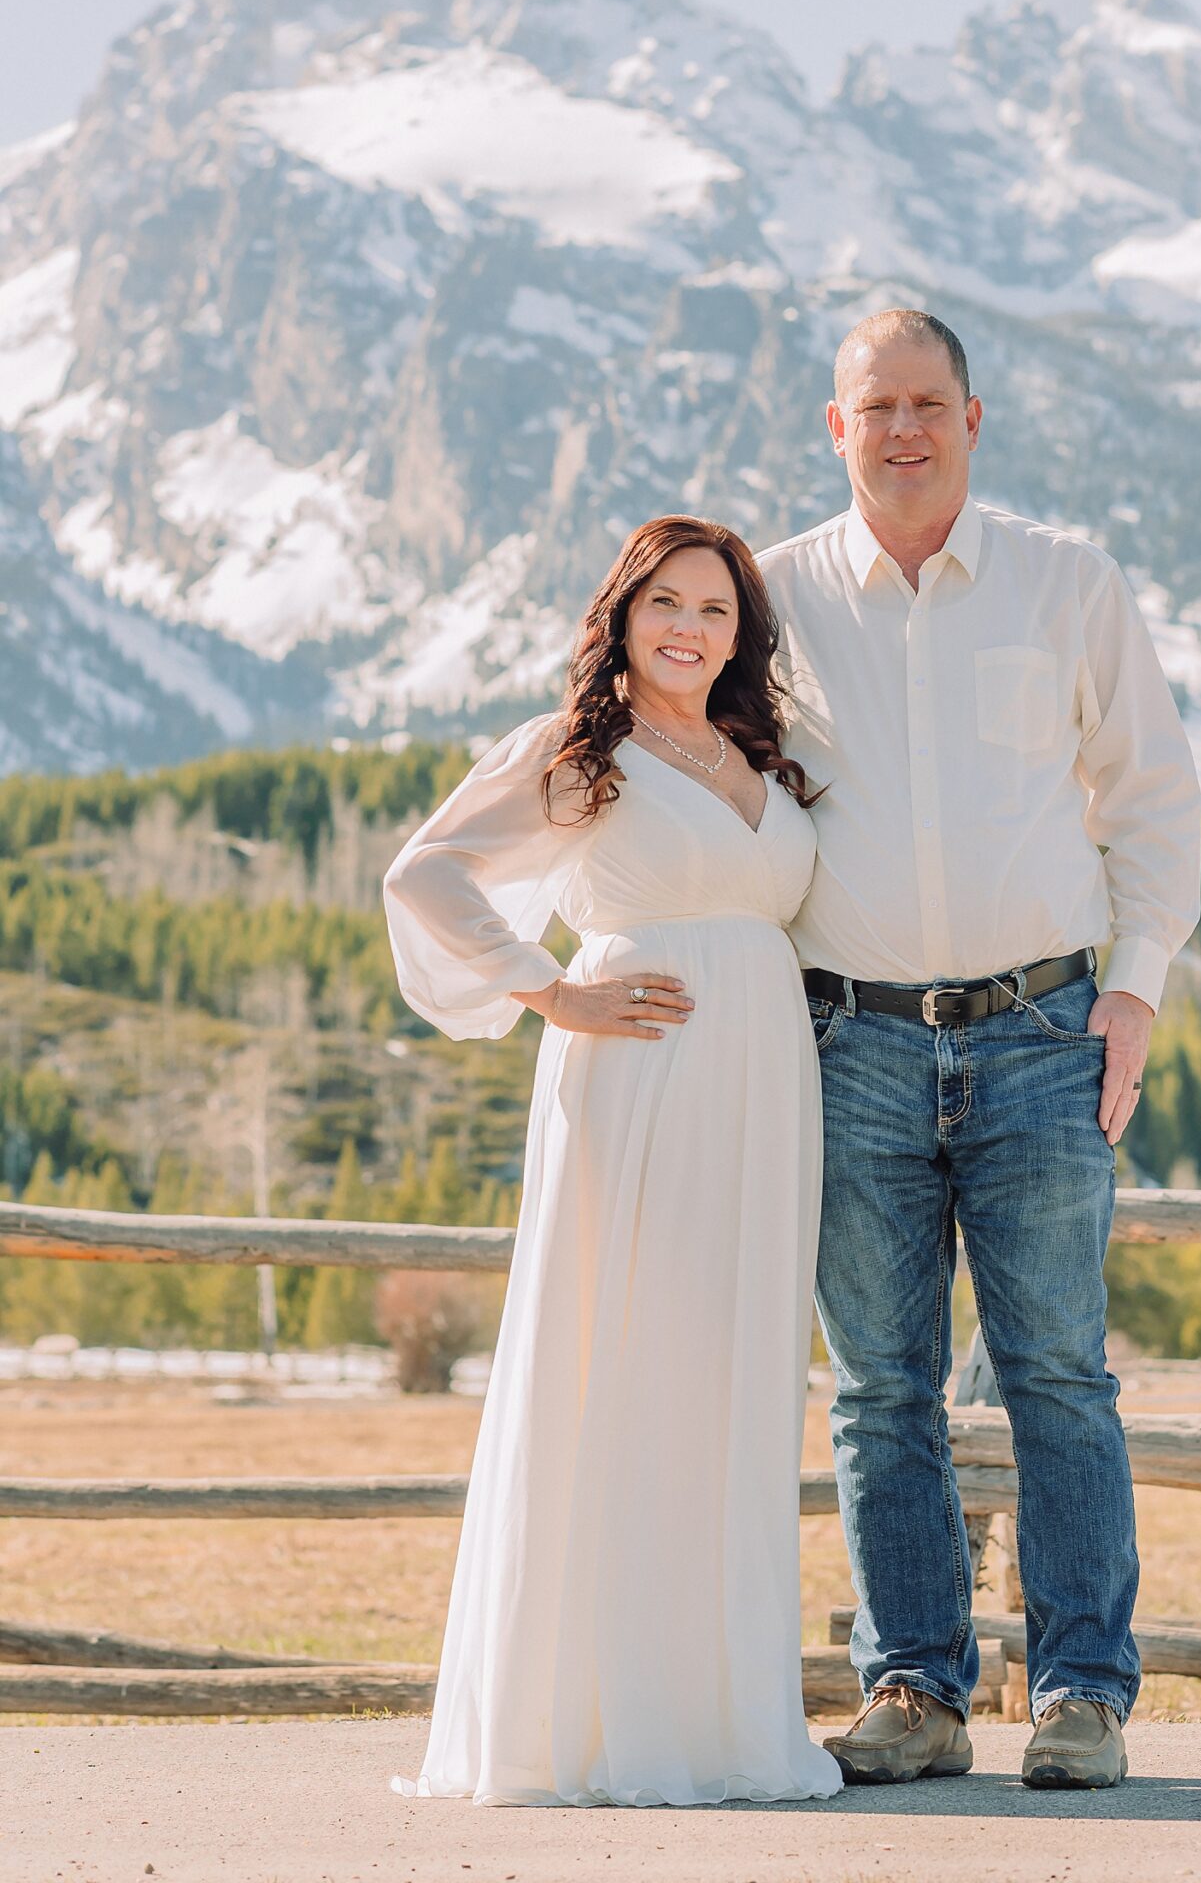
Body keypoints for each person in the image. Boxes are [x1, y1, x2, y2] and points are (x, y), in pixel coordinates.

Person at [760, 308, 1201, 1790]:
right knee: (880, 1388)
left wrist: (1134, 990)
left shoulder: (1067, 582)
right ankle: (916, 1692)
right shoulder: (771, 599)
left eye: (928, 404)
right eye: (875, 406)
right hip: (850, 1042)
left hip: (1039, 1033)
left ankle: (1080, 1694)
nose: (903, 429)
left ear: (972, 419)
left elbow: (1150, 797)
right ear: (836, 426)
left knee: (1057, 1375)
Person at [382, 515, 842, 1810]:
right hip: (641, 1083)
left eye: (715, 608)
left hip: (764, 1094)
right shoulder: (582, 751)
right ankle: (599, 1718)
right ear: (623, 619)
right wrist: (549, 990)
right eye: (665, 605)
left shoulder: (758, 756)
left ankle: (719, 1719)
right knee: (630, 1365)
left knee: (735, 1381)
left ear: (742, 633)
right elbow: (427, 875)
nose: (689, 628)